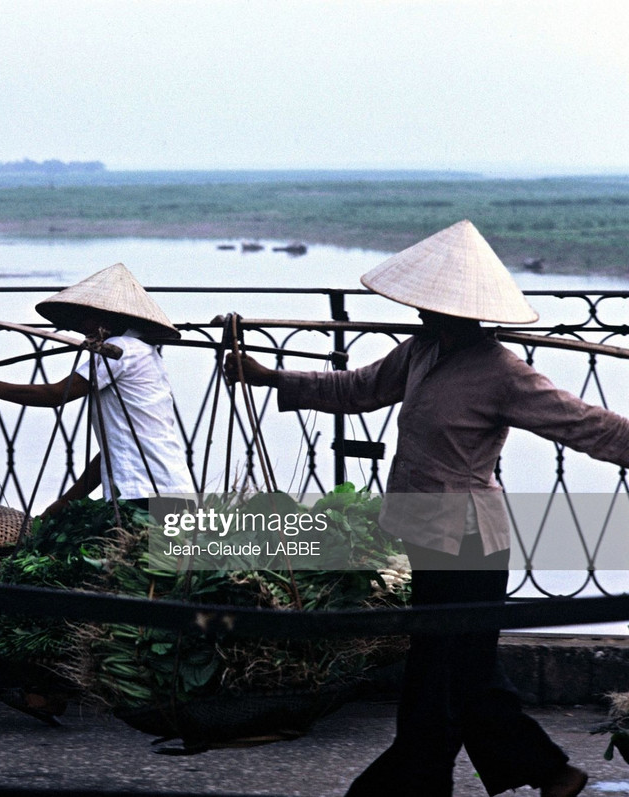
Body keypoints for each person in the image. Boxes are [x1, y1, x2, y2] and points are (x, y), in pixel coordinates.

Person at [224, 220, 614, 797]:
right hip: (424, 532)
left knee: (438, 672)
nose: (421, 314)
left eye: (431, 307)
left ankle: (409, 784)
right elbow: (354, 390)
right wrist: (268, 377)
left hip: (469, 540)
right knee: (468, 669)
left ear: (461, 311)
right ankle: (550, 772)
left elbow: (586, 425)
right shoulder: (420, 352)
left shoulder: (503, 373)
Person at [0, 263, 195, 516]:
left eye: (88, 318)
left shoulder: (120, 350)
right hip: (167, 485)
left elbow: (54, 395)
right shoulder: (143, 352)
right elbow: (113, 451)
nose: (82, 327)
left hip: (144, 490)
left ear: (109, 318)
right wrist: (64, 503)